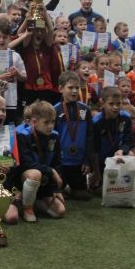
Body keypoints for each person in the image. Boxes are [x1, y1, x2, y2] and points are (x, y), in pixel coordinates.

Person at [15, 101, 65, 221]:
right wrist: (50, 171)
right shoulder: (22, 135)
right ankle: (27, 208)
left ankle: (34, 203)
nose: (50, 126)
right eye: (46, 122)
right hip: (25, 180)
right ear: (34, 122)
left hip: (45, 181)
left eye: (53, 121)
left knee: (60, 211)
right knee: (34, 174)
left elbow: (57, 163)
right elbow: (26, 164)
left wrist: (56, 189)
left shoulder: (55, 136)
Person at [54, 71, 95, 199]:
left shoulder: (85, 109)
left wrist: (87, 160)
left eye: (77, 88)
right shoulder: (55, 110)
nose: (74, 91)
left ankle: (74, 187)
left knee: (84, 196)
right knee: (58, 192)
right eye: (70, 87)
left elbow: (89, 136)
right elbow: (52, 138)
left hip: (79, 162)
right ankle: (64, 187)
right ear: (61, 89)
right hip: (62, 162)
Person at [92, 86, 135, 170]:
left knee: (131, 154)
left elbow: (129, 140)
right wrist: (96, 172)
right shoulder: (96, 122)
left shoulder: (125, 118)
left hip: (119, 156)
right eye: (111, 104)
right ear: (102, 103)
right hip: (102, 161)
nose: (115, 107)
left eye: (118, 104)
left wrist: (123, 150)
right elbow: (94, 150)